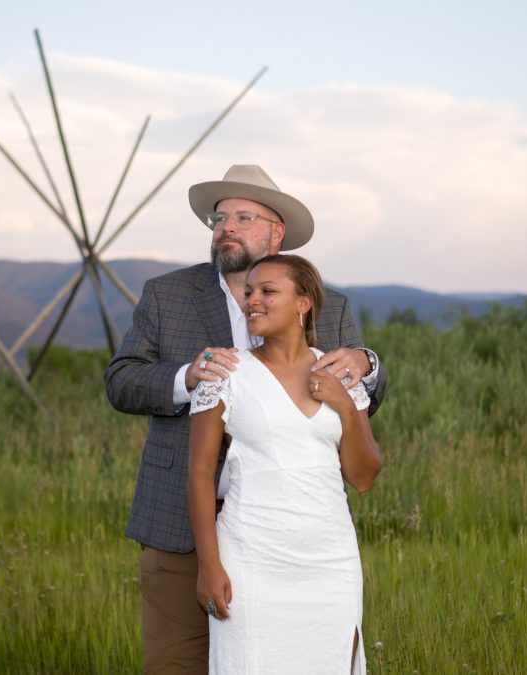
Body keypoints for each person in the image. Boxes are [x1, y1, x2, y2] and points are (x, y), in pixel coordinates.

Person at [104, 164, 388, 674]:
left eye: (242, 216)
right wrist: (187, 377)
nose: (226, 227)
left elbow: (362, 399)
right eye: (218, 218)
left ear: (277, 233)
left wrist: (367, 363)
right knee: (177, 664)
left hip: (299, 534)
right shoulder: (166, 295)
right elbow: (121, 380)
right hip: (180, 524)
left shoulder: (330, 304)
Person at [189, 253, 382, 674]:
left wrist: (346, 408)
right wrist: (209, 566)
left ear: (303, 302)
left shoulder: (339, 372)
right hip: (251, 560)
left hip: (331, 563)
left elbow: (364, 478)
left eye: (268, 291)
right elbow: (201, 474)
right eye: (249, 291)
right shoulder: (227, 373)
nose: (251, 300)